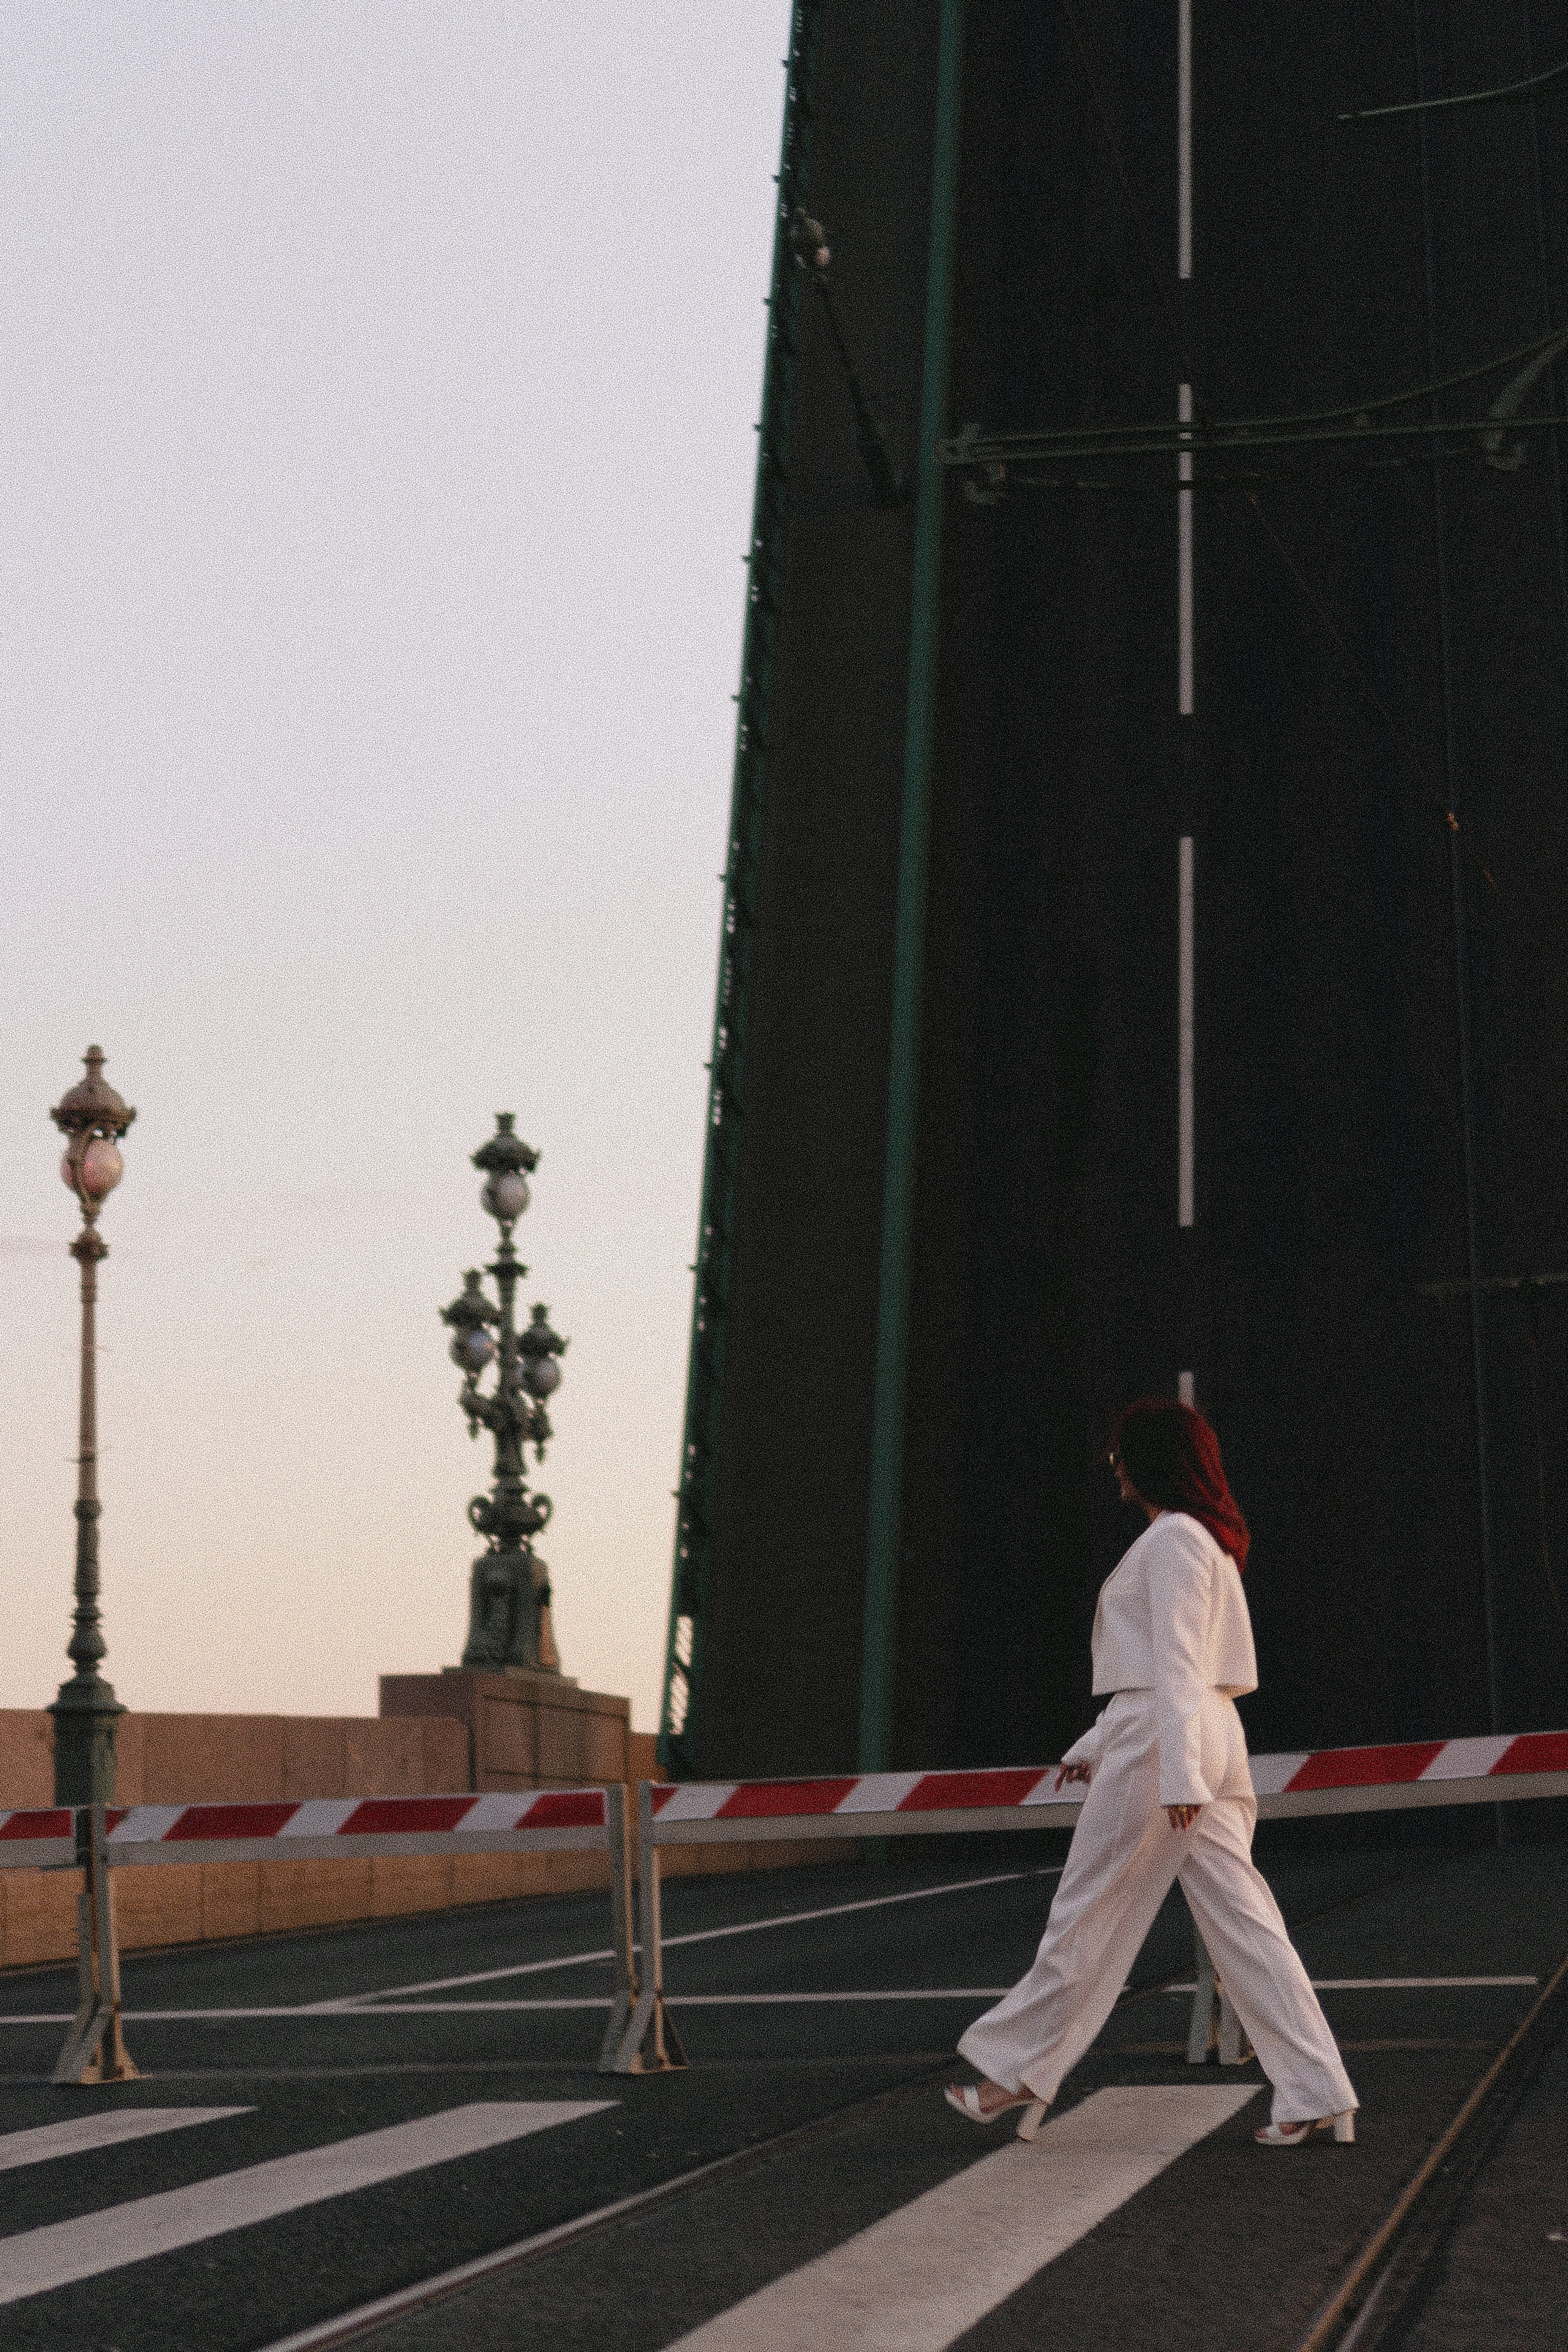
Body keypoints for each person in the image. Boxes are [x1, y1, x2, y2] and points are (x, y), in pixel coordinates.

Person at [945, 1396, 1357, 2149]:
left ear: (1149, 1465)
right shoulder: (1206, 1541)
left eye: (1119, 1459)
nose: (1116, 1474)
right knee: (1246, 1926)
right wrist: (1098, 1743)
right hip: (1210, 1734)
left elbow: (1170, 1665)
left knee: (1088, 1912)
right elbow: (1185, 1674)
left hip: (1168, 1745)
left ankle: (1012, 2073)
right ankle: (1316, 2087)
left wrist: (1171, 1776)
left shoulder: (1170, 1540)